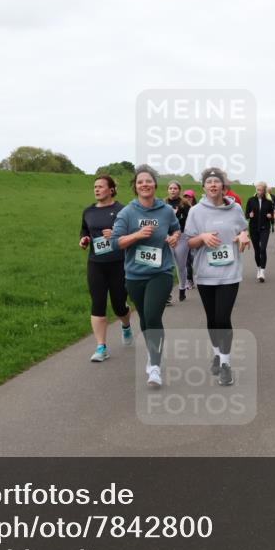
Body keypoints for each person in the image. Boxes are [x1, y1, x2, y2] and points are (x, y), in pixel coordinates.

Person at [112, 165, 181, 388]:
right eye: (140, 182)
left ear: (154, 185)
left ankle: (155, 366)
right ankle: (152, 357)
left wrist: (173, 237)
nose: (144, 185)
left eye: (148, 181)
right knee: (144, 318)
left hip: (161, 272)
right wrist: (137, 235)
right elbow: (116, 242)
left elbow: (176, 229)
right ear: (135, 187)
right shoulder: (127, 213)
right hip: (134, 275)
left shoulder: (166, 210)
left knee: (152, 316)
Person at [185, 167, 251, 386]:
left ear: (224, 186)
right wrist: (202, 237)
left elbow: (243, 230)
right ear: (203, 187)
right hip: (205, 273)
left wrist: (243, 235)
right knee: (212, 319)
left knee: (223, 318)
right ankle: (216, 353)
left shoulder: (235, 209)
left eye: (217, 181)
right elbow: (189, 242)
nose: (213, 185)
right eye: (209, 182)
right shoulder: (195, 211)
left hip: (230, 273)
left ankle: (225, 364)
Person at [79, 175, 134, 361]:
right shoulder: (88, 211)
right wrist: (84, 239)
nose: (96, 189)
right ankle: (101, 347)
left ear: (111, 190)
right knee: (98, 304)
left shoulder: (123, 210)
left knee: (119, 305)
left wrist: (116, 234)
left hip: (118, 263)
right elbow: (85, 230)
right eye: (95, 186)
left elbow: (132, 233)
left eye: (100, 186)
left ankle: (126, 325)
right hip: (96, 264)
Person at [165, 181, 193, 303]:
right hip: (167, 237)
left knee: (181, 266)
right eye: (170, 188)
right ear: (167, 190)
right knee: (167, 266)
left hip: (182, 237)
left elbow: (190, 221)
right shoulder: (162, 204)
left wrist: (177, 216)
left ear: (179, 190)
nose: (172, 190)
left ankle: (182, 288)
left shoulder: (185, 204)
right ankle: (167, 294)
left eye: (175, 188)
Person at [245, 181, 274, 282]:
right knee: (257, 250)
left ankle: (262, 271)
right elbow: (246, 214)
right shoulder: (251, 200)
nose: (259, 192)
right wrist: (250, 215)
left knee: (263, 249)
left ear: (264, 191)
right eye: (257, 189)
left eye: (261, 190)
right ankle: (258, 267)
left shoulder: (269, 202)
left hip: (265, 228)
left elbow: (272, 214)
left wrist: (270, 216)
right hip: (253, 228)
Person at [183, 189, 197, 290]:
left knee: (195, 259)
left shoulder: (197, 208)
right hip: (184, 236)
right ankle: (189, 280)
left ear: (193, 198)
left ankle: (201, 276)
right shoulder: (182, 207)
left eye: (189, 197)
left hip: (196, 237)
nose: (187, 199)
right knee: (187, 260)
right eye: (185, 197)